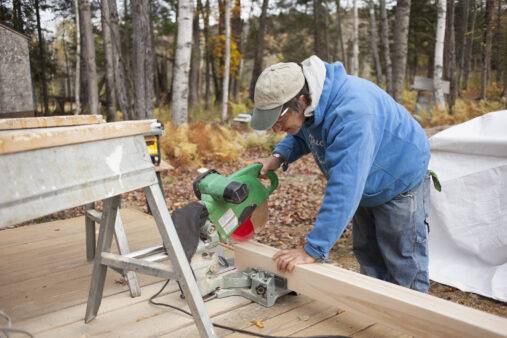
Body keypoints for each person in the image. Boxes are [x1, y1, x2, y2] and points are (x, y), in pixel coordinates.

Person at [251, 55, 431, 293]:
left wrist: (312, 249)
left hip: (398, 178)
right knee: (368, 254)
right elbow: (304, 133)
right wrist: (278, 156)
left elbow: (345, 188)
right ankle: (379, 311)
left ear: (301, 100)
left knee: (402, 260)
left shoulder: (352, 113)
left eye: (279, 119)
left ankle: (414, 319)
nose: (276, 128)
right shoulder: (312, 104)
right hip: (367, 182)